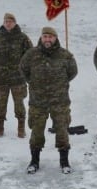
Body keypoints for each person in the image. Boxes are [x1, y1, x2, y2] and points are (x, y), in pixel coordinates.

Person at [20, 25, 79, 173]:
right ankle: (34, 161)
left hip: (59, 101)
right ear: (41, 38)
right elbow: (23, 69)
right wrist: (33, 82)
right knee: (36, 132)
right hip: (38, 101)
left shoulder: (65, 55)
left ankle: (64, 162)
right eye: (45, 36)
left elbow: (73, 72)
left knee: (62, 131)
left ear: (55, 38)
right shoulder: (31, 54)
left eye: (50, 37)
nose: (47, 39)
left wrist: (60, 84)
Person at [0, 12, 33, 137]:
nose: (8, 23)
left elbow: (30, 54)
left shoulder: (23, 38)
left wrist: (22, 66)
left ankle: (21, 128)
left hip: (18, 78)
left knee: (19, 104)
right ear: (3, 23)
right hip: (1, 78)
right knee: (0, 104)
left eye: (10, 21)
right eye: (6, 21)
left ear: (15, 23)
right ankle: (0, 128)